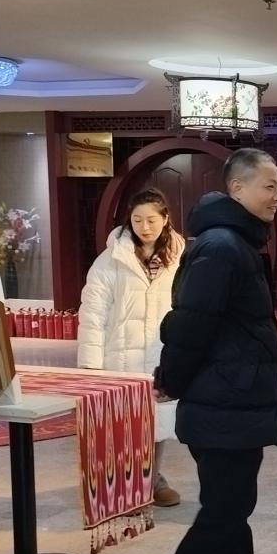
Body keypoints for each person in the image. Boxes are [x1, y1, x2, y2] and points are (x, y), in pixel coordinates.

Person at [128, 148, 277, 554]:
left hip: (234, 398)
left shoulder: (236, 242)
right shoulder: (223, 247)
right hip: (222, 403)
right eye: (269, 185)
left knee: (231, 505)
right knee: (225, 510)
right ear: (237, 189)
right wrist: (170, 380)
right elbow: (190, 324)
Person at [77, 188, 186, 507]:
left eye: (151, 219)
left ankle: (153, 479)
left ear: (165, 219)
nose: (144, 226)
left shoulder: (179, 260)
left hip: (160, 352)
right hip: (121, 354)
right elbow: (93, 314)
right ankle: (123, 484)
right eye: (137, 220)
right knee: (122, 424)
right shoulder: (109, 261)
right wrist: (90, 365)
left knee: (158, 421)